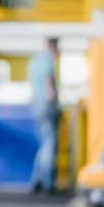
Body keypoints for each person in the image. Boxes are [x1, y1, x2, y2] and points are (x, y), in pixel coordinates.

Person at [28, 37, 61, 193]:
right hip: (47, 105)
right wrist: (53, 95)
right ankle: (48, 182)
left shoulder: (34, 61)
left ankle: (37, 180)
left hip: (36, 105)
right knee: (50, 143)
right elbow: (49, 82)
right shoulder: (48, 60)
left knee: (43, 144)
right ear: (53, 46)